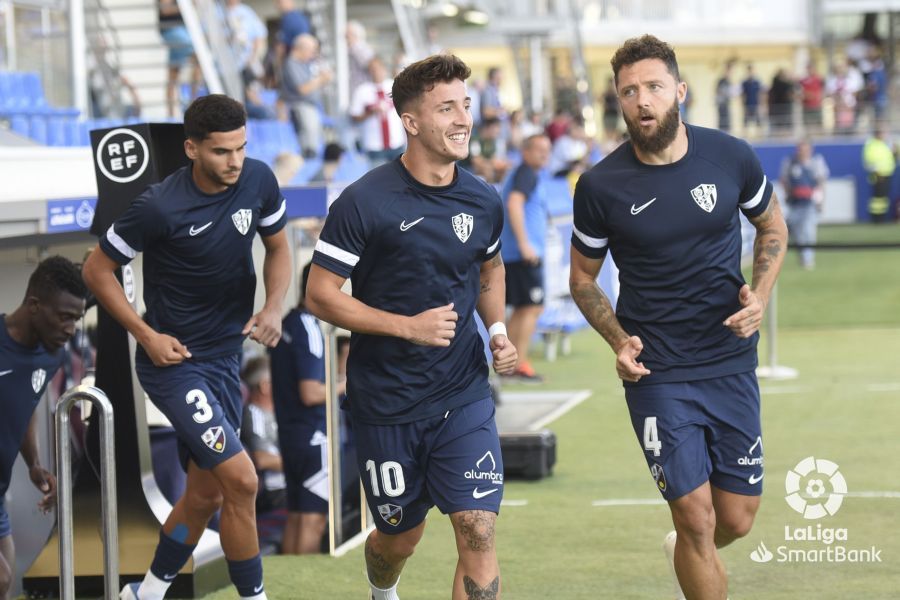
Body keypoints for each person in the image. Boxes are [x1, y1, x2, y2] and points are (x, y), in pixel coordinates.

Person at [568, 35, 787, 600]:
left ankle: (686, 549)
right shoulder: (599, 187)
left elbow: (772, 227)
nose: (642, 101)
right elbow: (583, 278)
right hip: (657, 372)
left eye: (654, 87)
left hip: (729, 362)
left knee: (734, 518)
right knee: (696, 518)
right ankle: (690, 542)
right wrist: (617, 339)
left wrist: (759, 294)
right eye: (629, 91)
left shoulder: (730, 156)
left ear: (680, 91)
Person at [305, 54, 518, 600]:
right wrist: (407, 327)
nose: (462, 119)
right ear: (410, 121)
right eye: (446, 107)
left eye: (465, 105)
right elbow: (320, 295)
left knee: (478, 526)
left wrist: (496, 331)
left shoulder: (481, 197)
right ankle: (382, 590)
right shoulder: (363, 201)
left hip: (463, 393)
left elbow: (490, 270)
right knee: (399, 538)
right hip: (388, 402)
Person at [82, 94, 292, 600]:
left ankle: (146, 593)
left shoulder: (259, 179)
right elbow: (96, 269)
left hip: (226, 358)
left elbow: (280, 247)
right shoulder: (158, 205)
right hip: (175, 364)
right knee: (241, 481)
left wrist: (274, 306)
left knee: (204, 493)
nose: (235, 161)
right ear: (192, 148)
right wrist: (146, 334)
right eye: (222, 152)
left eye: (241, 148)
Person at [0, 257, 87, 600]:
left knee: (6, 584)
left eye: (76, 320)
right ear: (34, 306)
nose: (70, 329)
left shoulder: (50, 356)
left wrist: (33, 462)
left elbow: (25, 405)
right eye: (65, 316)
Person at [268, 262, 345, 555]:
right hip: (312, 436)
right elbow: (311, 392)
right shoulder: (309, 328)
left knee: (298, 515)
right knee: (312, 521)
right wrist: (347, 383)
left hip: (290, 434)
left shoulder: (287, 322)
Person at [499, 134, 552, 382]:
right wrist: (524, 244)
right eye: (538, 149)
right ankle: (517, 364)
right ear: (525, 152)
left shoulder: (528, 174)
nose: (544, 154)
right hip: (523, 255)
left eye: (547, 149)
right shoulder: (525, 174)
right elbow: (514, 204)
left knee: (524, 307)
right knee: (531, 306)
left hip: (517, 254)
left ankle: (509, 364)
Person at [238, 356, 287, 548]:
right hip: (273, 492)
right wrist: (300, 464)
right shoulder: (253, 413)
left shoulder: (276, 411)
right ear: (265, 385)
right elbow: (262, 459)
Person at [281, 33, 332, 158]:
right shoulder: (290, 63)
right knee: (308, 146)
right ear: (301, 48)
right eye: (311, 50)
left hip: (312, 106)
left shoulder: (306, 64)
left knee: (316, 143)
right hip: (300, 106)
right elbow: (302, 89)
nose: (313, 54)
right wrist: (321, 79)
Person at [780, 139, 829, 269]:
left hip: (810, 203)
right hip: (795, 203)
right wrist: (787, 194)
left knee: (808, 231)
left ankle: (808, 260)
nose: (802, 151)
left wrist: (820, 201)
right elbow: (784, 180)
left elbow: (821, 182)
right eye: (800, 149)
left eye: (805, 149)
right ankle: (803, 256)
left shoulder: (816, 162)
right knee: (797, 232)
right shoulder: (790, 162)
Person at [349, 56, 406, 167]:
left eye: (378, 69)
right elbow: (354, 117)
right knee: (379, 181)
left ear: (384, 69)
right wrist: (370, 112)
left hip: (397, 143)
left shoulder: (395, 85)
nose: (376, 72)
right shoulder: (362, 91)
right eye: (372, 70)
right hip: (374, 145)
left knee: (401, 179)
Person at [157, 0, 199, 117]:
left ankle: (170, 114)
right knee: (198, 60)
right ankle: (193, 105)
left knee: (173, 72)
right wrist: (187, 6)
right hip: (172, 31)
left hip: (180, 31)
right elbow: (165, 10)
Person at [862, 124, 897, 223]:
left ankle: (882, 217)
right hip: (878, 175)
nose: (885, 135)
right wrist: (876, 172)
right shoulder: (871, 145)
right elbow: (869, 161)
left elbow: (892, 157)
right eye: (883, 133)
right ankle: (876, 218)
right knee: (877, 198)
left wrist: (895, 152)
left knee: (883, 198)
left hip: (887, 174)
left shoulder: (885, 144)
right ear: (877, 134)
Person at [740, 63, 762, 133]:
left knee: (758, 120)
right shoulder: (744, 83)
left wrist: (761, 105)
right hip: (747, 104)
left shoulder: (757, 82)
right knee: (746, 120)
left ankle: (759, 133)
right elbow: (743, 94)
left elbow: (760, 94)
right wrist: (743, 105)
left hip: (755, 104)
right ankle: (745, 133)